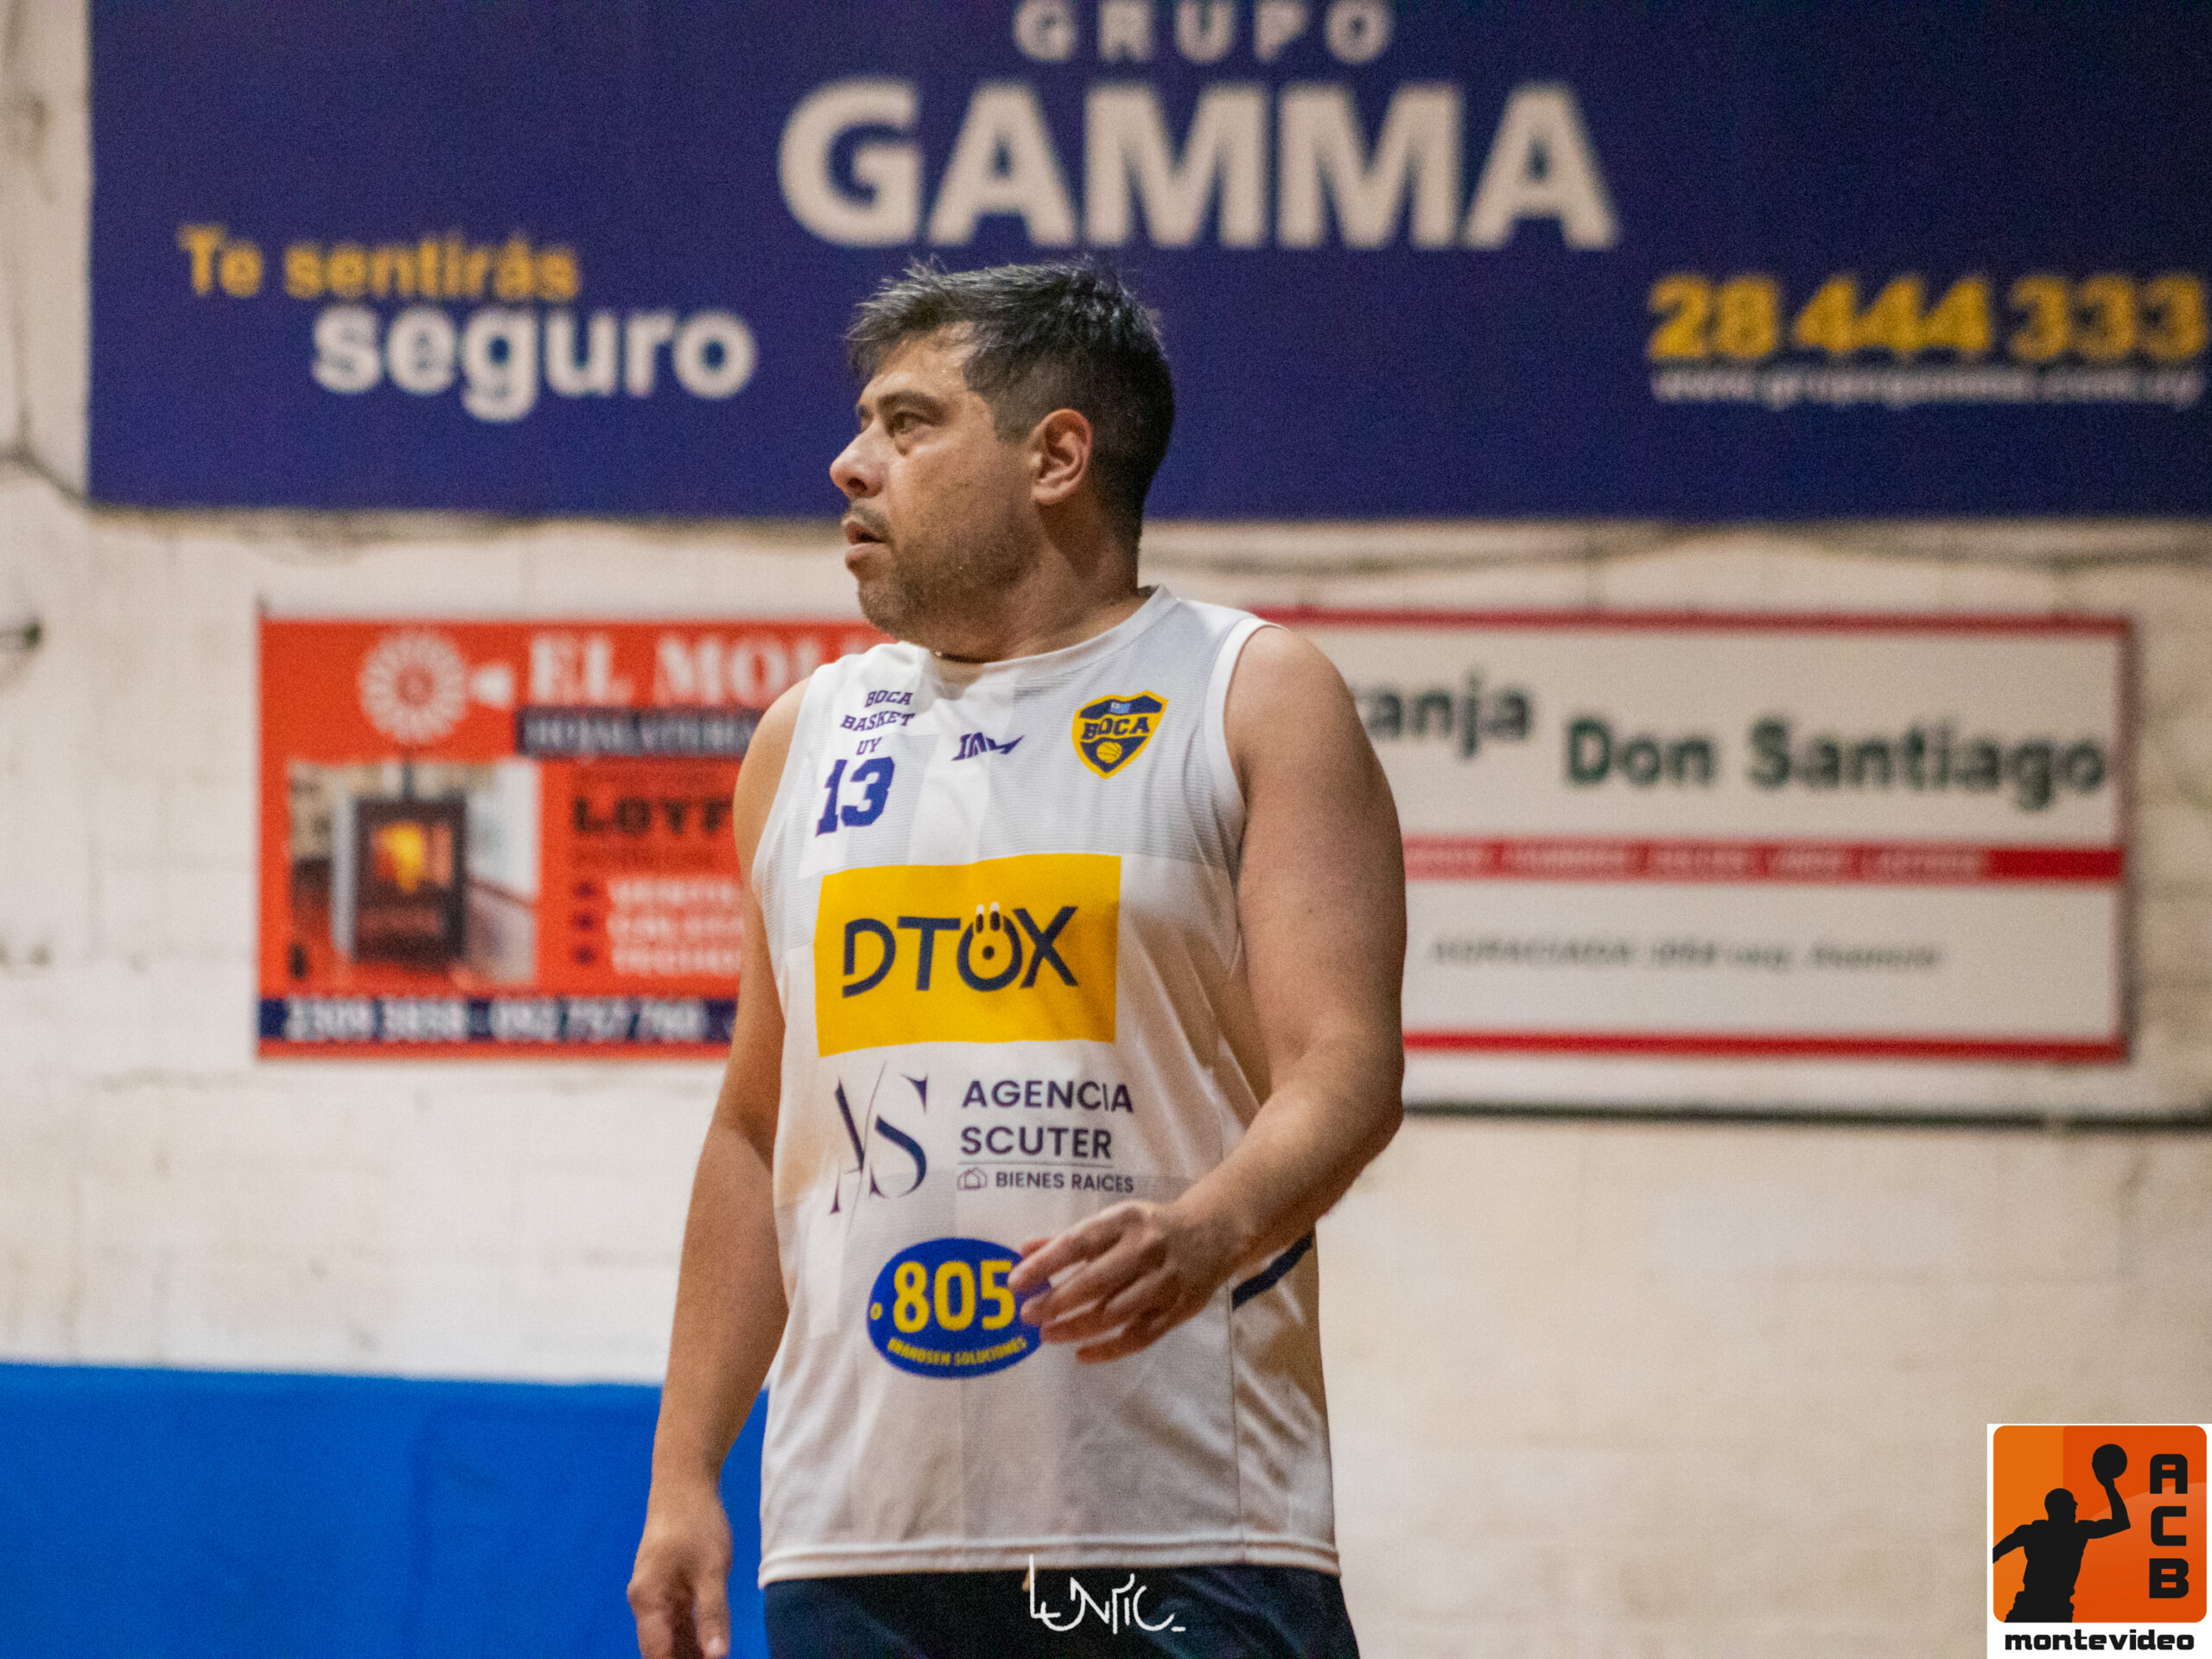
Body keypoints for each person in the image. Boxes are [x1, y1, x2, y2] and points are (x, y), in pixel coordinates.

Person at [628, 261, 1406, 1659]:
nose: (851, 463)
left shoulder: (1250, 691)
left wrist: (1210, 1229)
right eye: (865, 424)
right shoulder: (806, 735)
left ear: (1057, 455)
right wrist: (685, 1471)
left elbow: (1346, 1068)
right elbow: (754, 1131)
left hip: (1181, 1523)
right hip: (855, 1534)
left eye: (909, 423)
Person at [1993, 1475, 2131, 1623]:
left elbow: (1995, 1552)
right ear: (2061, 1507)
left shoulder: (2031, 1532)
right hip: (2048, 1609)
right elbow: (2121, 1523)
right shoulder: (2077, 1532)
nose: (2076, 1504)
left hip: (2036, 1607)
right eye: (2071, 1502)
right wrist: (2109, 1486)